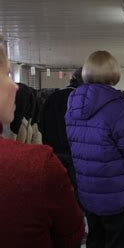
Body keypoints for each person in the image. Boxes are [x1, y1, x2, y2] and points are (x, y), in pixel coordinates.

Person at [0, 44, 85, 248]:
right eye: (7, 74)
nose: (16, 86)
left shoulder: (55, 97)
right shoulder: (34, 165)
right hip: (68, 153)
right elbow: (70, 242)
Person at [65, 50, 124, 248]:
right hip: (116, 191)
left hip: (88, 189)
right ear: (113, 72)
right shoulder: (119, 108)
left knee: (95, 241)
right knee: (117, 245)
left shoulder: (72, 105)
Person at [40, 67, 83, 195]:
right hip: (75, 153)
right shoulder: (81, 99)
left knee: (59, 190)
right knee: (76, 192)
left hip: (54, 151)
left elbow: (41, 122)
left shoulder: (53, 96)